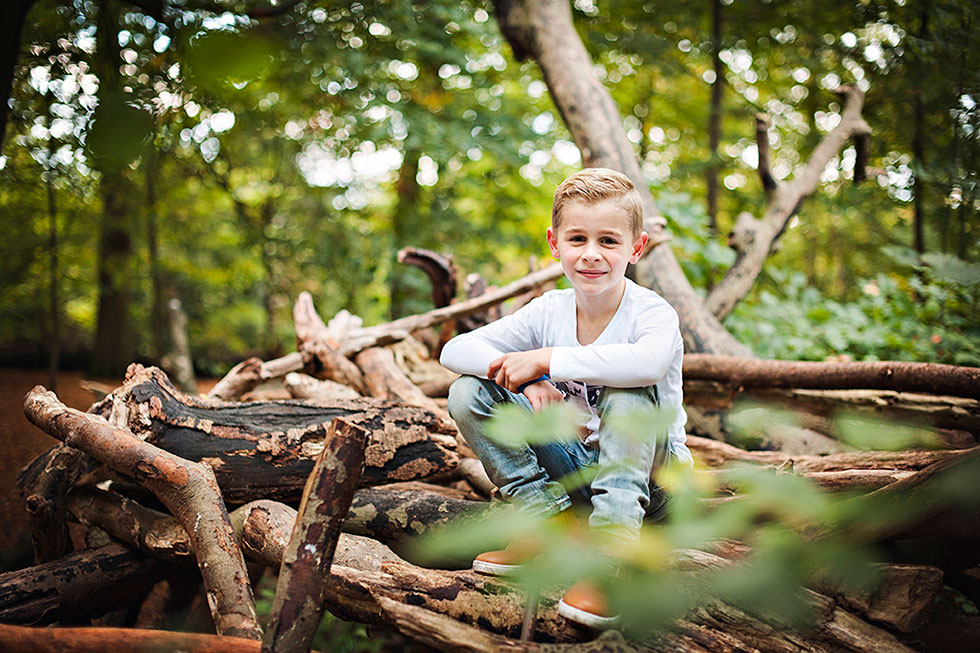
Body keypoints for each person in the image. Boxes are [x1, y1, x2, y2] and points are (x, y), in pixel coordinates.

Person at [440, 167, 693, 629]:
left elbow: (647, 365)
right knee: (470, 390)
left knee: (628, 389)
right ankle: (545, 526)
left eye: (609, 241)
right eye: (577, 239)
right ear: (555, 244)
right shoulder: (549, 310)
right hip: (578, 471)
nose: (591, 255)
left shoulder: (651, 313)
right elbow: (455, 350)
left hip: (654, 487)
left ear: (636, 248)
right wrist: (528, 380)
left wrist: (547, 361)